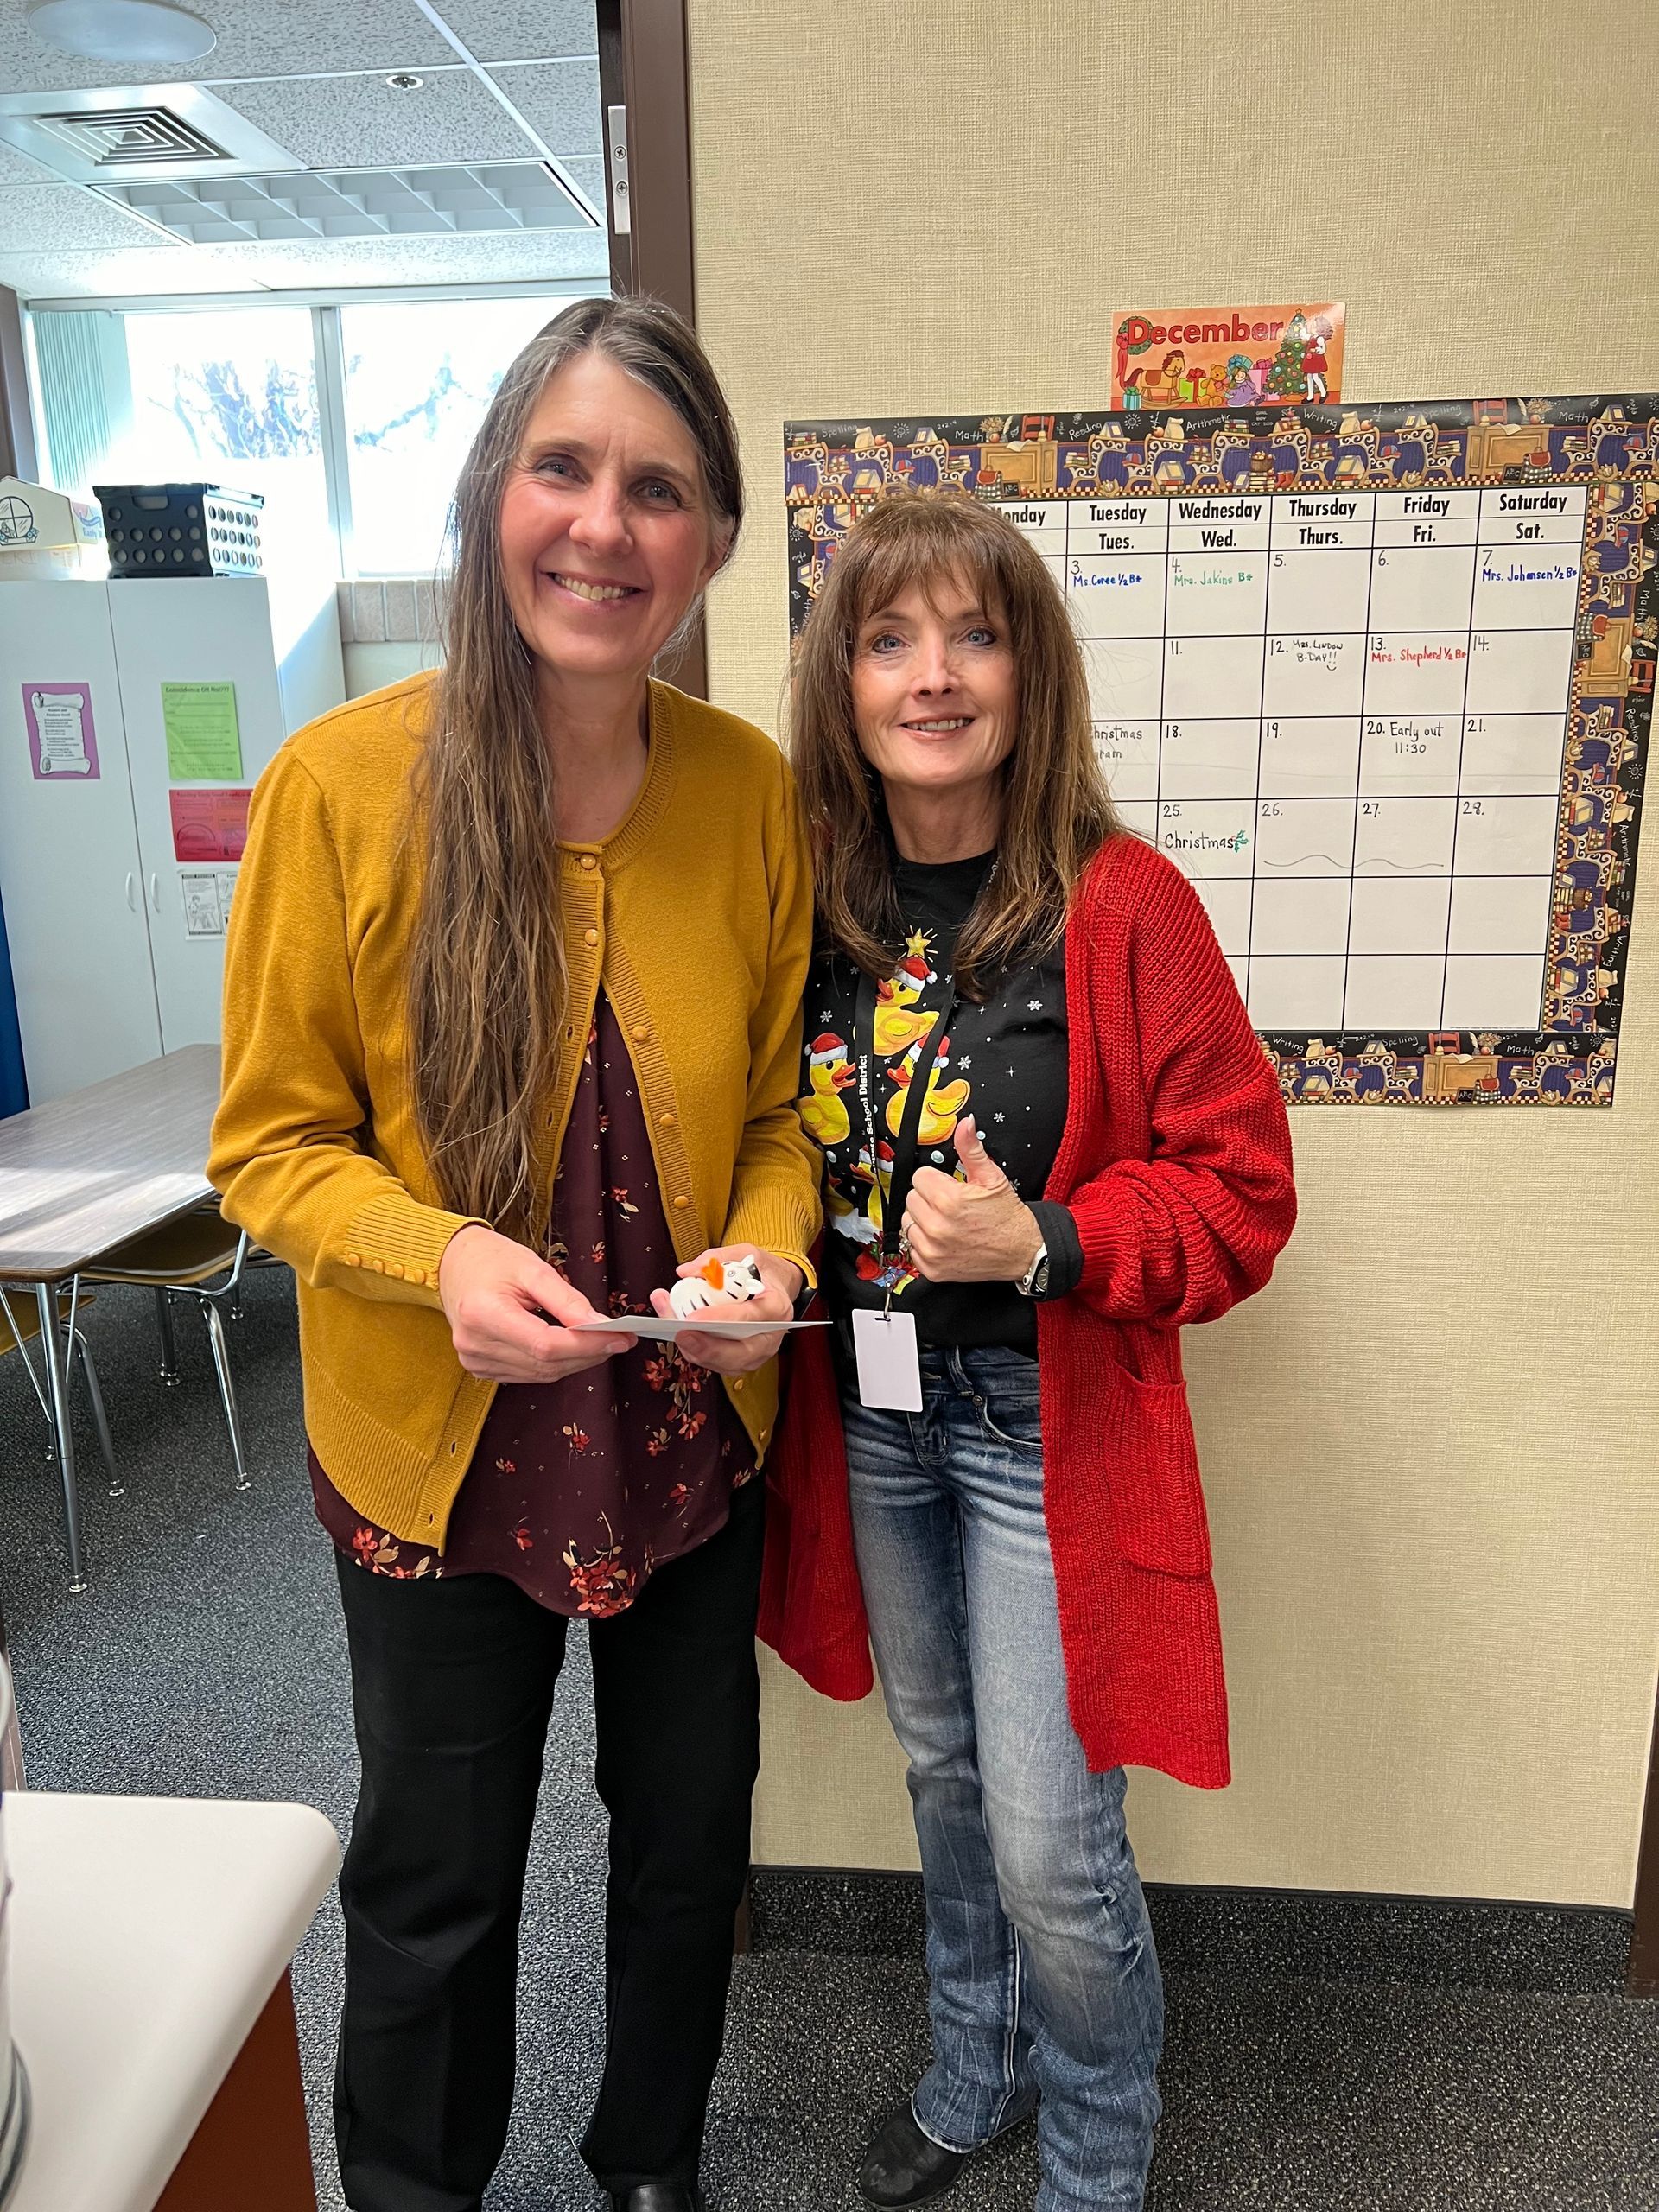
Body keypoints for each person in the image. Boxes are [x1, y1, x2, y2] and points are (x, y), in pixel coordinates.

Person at [208, 296, 820, 2212]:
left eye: (658, 488)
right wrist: (440, 1251)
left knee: (684, 1845)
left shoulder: (752, 790)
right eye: (563, 467)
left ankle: (651, 2159)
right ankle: (414, 2189)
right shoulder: (339, 785)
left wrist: (771, 1263)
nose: (604, 525)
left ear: (711, 540)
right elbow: (270, 1150)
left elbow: (792, 1115)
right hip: (432, 1433)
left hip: (689, 1435)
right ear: (492, 496)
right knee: (439, 1864)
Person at [772, 490, 1297, 2211]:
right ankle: (974, 2060)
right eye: (890, 637)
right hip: (869, 1412)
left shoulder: (1123, 900)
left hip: (1032, 1420)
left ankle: (1095, 2141)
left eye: (975, 633)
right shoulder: (811, 897)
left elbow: (1242, 1195)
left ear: (1030, 669)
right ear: (842, 680)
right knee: (941, 1772)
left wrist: (1051, 1239)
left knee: (1053, 1836)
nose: (935, 675)